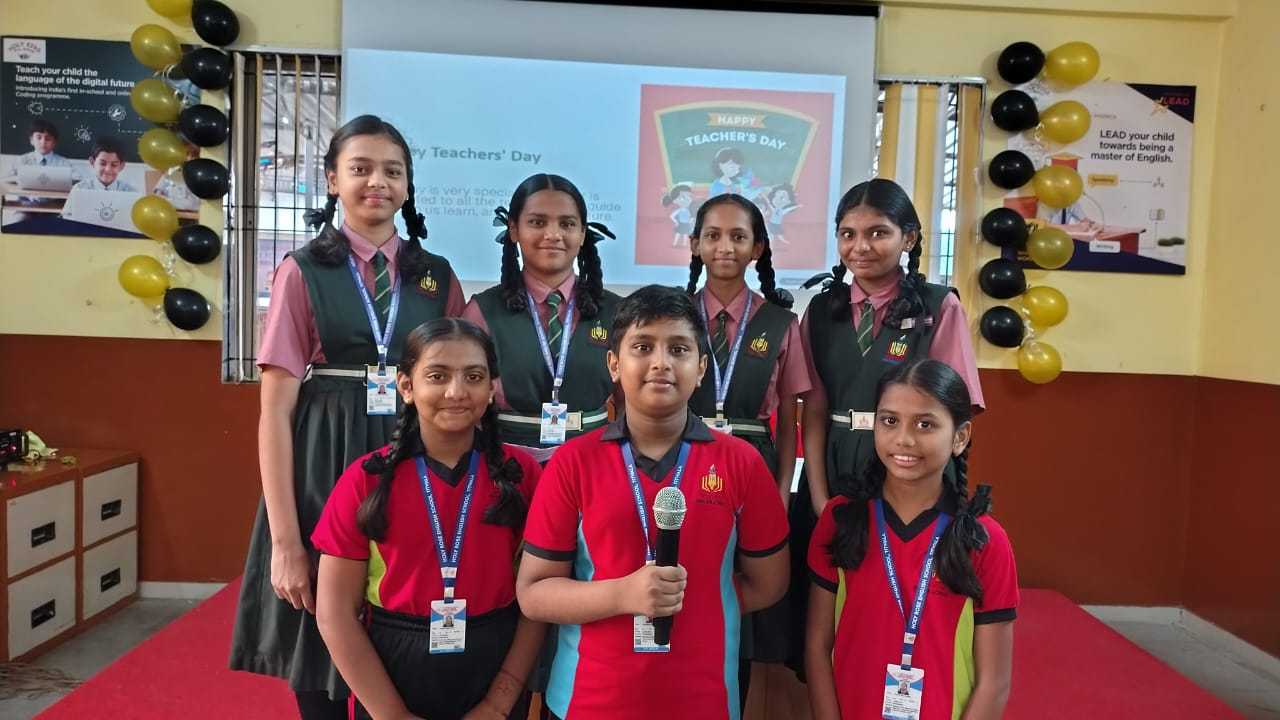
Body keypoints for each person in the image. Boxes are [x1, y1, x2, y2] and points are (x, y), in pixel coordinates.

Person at [229, 114, 466, 720]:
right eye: (360, 169)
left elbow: (467, 380)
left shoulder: (437, 276)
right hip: (325, 462)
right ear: (333, 180)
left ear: (408, 186)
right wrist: (286, 541)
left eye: (392, 171)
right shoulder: (303, 270)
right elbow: (274, 411)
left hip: (413, 461)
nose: (377, 182)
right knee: (317, 630)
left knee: (405, 627)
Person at [516, 285, 790, 720]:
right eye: (643, 347)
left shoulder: (742, 463)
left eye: (678, 349)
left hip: (704, 703)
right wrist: (623, 595)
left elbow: (769, 582)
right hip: (589, 703)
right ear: (614, 364)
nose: (661, 362)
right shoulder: (573, 463)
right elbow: (534, 593)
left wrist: (704, 603)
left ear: (701, 368)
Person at [789, 178, 984, 676]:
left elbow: (955, 409)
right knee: (824, 610)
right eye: (848, 234)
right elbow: (814, 408)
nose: (861, 246)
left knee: (897, 600)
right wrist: (819, 498)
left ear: (909, 238)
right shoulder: (823, 311)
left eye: (878, 232)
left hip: (906, 471)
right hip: (834, 466)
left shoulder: (938, 308)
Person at [313, 318, 544, 720]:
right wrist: (391, 714)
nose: (456, 392)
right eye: (438, 376)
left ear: (492, 389)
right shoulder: (366, 480)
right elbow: (334, 613)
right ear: (406, 386)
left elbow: (536, 601)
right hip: (391, 669)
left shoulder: (521, 475)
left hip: (495, 661)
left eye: (474, 376)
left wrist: (498, 704)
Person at [805, 359, 1016, 720]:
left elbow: (994, 683)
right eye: (890, 421)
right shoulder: (841, 520)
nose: (904, 438)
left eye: (925, 424)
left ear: (960, 437)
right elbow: (817, 648)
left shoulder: (984, 540)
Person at [683, 192, 809, 702]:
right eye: (713, 236)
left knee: (740, 593)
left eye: (738, 237)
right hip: (684, 462)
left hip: (752, 469)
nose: (725, 247)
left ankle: (728, 700)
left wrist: (780, 494)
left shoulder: (781, 323)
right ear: (695, 244)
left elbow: (791, 422)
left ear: (757, 248)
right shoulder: (676, 314)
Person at [462, 174, 619, 457]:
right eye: (537, 222)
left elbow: (630, 401)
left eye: (567, 224)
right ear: (514, 230)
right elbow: (464, 398)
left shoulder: (617, 311)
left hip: (593, 459)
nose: (553, 234)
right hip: (505, 460)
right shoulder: (482, 311)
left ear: (583, 233)